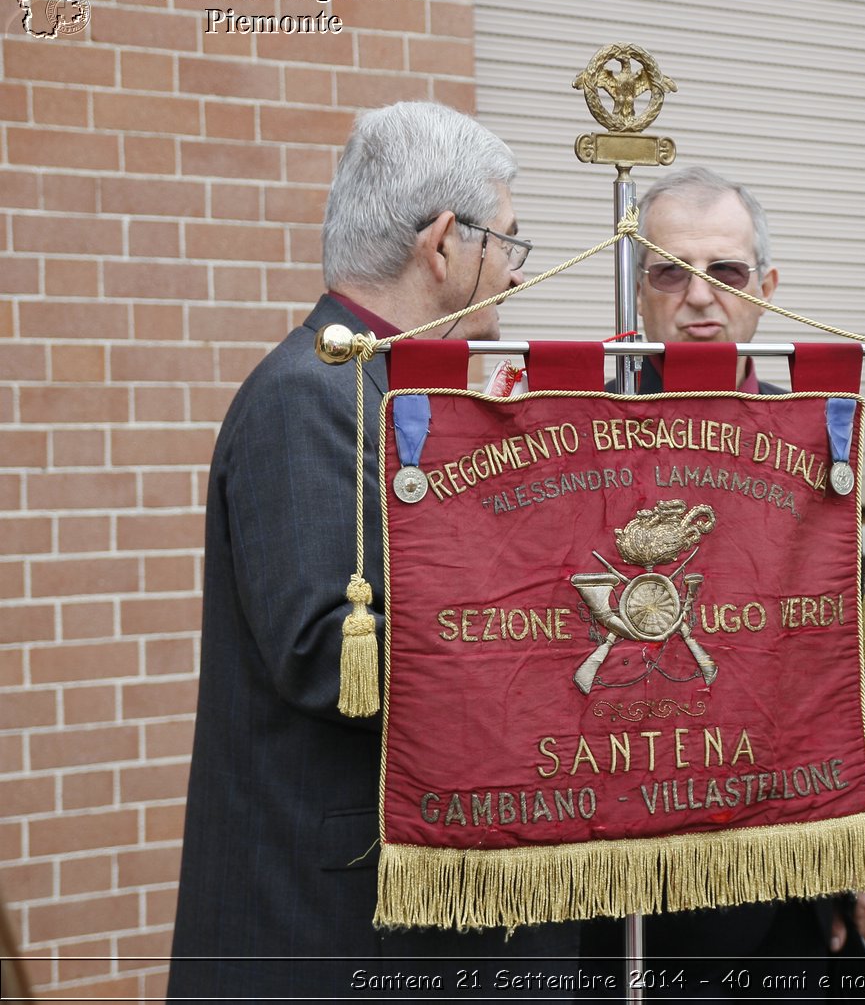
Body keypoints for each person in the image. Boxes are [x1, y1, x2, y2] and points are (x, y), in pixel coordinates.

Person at [168, 101, 573, 999]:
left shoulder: (392, 387)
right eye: (507, 242)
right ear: (443, 246)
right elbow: (327, 654)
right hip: (342, 928)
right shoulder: (311, 394)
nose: (514, 270)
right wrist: (565, 627)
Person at [582, 166, 865, 996]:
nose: (697, 297)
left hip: (787, 875)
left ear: (766, 287)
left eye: (725, 271)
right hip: (629, 876)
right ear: (636, 291)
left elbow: (846, 665)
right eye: (667, 271)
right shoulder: (579, 444)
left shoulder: (813, 439)